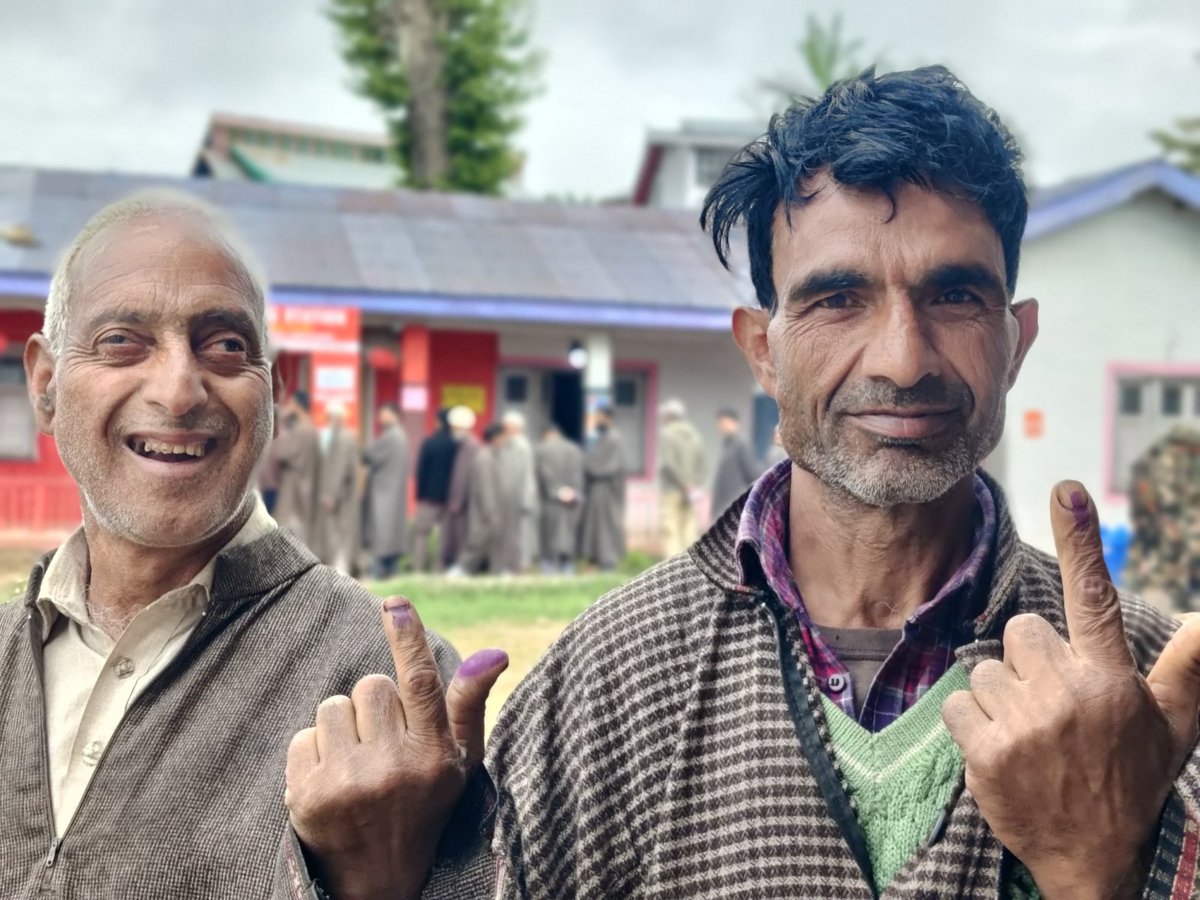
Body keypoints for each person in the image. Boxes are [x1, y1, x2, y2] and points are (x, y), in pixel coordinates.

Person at [286, 67, 1200, 899]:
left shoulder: (1154, 696)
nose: (903, 357)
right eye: (837, 298)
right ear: (762, 350)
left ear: (1018, 339)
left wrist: (1098, 869)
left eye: (955, 295)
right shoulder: (608, 683)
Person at [0, 189, 505, 899]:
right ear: (46, 386)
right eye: (122, 341)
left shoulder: (382, 686)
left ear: (274, 388)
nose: (179, 391)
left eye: (226, 345)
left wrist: (380, 878)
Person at [1125, 425, 1200, 611]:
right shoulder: (1167, 461)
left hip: (1157, 520)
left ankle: (1139, 590)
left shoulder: (1158, 459)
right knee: (1168, 559)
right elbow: (1169, 498)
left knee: (1154, 556)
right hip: (1161, 521)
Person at [450, 422, 509, 576]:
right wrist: (490, 512)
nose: (504, 441)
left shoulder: (491, 456)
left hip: (491, 511)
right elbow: (486, 488)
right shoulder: (485, 458)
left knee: (492, 543)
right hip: (486, 512)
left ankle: (498, 571)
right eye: (503, 437)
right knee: (477, 542)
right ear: (495, 438)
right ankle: (460, 569)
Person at [362, 403, 410, 580]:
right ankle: (391, 573)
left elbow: (368, 454)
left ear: (394, 415)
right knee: (390, 535)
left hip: (384, 492)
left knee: (381, 533)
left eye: (384, 414)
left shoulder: (391, 436)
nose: (380, 418)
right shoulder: (400, 435)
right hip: (392, 491)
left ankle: (377, 575)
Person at [410, 407, 459, 573]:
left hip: (429, 498)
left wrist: (419, 495)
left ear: (438, 422)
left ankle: (418, 567)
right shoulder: (456, 445)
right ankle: (438, 568)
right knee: (443, 536)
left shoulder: (429, 443)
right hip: (448, 498)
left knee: (421, 534)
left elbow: (421, 471)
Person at [315, 399, 360, 574]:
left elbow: (339, 469)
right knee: (341, 533)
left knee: (339, 533)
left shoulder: (342, 437)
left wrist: (330, 495)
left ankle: (341, 569)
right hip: (343, 494)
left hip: (341, 496)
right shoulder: (343, 436)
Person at [578, 406, 626, 571]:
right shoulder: (604, 437)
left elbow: (610, 466)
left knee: (606, 524)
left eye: (599, 417)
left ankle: (608, 559)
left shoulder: (614, 438)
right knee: (596, 524)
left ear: (608, 418)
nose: (596, 421)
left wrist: (588, 466)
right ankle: (596, 558)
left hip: (606, 488)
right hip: (597, 487)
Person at [658, 398, 706, 557]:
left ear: (668, 416)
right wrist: (694, 485)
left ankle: (673, 568)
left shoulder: (667, 433)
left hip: (672, 489)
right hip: (692, 491)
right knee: (689, 528)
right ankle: (691, 566)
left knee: (671, 529)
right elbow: (702, 464)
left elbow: (669, 463)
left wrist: (685, 485)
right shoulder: (694, 434)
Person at [535, 422, 585, 574]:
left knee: (549, 532)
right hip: (572, 499)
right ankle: (567, 565)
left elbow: (542, 474)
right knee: (568, 531)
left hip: (550, 499)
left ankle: (549, 565)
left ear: (547, 434)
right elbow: (578, 473)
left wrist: (556, 492)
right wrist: (572, 492)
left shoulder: (541, 450)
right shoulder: (574, 449)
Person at [273, 390, 320, 549]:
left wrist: (283, 421)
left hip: (293, 484)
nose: (289, 406)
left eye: (292, 403)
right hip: (306, 482)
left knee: (289, 525)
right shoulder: (311, 427)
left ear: (298, 406)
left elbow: (282, 453)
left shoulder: (300, 429)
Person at [498, 410, 539, 572]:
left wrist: (527, 498)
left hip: (519, 498)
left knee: (519, 534)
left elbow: (528, 474)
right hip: (507, 499)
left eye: (507, 426)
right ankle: (508, 564)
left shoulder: (522, 446)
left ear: (515, 427)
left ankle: (519, 565)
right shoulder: (506, 444)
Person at [443, 406, 480, 569]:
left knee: (463, 536)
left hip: (464, 503)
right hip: (459, 502)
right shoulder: (462, 445)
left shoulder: (471, 446)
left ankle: (462, 566)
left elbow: (465, 477)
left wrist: (458, 501)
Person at [710, 408, 761, 521]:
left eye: (724, 423)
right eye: (719, 424)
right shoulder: (727, 445)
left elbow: (752, 473)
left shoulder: (742, 444)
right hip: (723, 506)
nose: (721, 427)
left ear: (735, 423)